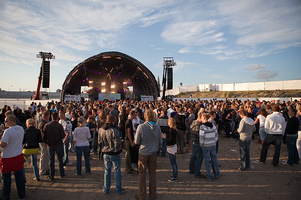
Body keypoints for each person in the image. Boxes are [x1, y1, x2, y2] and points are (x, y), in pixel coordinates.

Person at [134, 109, 162, 200]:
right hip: (153, 152)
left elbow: (137, 141)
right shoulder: (157, 127)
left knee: (142, 175)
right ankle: (152, 195)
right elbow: (160, 141)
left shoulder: (141, 127)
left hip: (143, 152)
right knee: (152, 174)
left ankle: (142, 195)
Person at [0, 115, 26, 200]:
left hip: (8, 157)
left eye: (6, 121)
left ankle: (5, 197)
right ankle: (21, 194)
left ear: (11, 121)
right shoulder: (21, 128)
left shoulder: (8, 131)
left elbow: (3, 145)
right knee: (19, 178)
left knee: (6, 180)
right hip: (18, 155)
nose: (5, 123)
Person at [99, 114, 125, 195]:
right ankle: (118, 189)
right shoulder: (114, 130)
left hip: (105, 152)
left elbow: (99, 142)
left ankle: (106, 188)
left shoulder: (101, 129)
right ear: (113, 121)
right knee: (117, 171)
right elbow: (117, 143)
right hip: (114, 152)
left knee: (107, 171)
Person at [43, 112, 66, 180]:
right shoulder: (59, 126)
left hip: (51, 144)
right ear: (57, 118)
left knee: (51, 160)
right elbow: (63, 136)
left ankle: (52, 175)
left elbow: (44, 137)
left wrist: (47, 142)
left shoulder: (47, 125)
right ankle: (61, 173)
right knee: (60, 159)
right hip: (58, 144)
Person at [199, 113, 220, 181]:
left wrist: (201, 144)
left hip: (206, 146)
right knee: (214, 159)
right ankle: (217, 174)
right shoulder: (213, 126)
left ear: (204, 118)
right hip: (213, 144)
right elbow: (216, 136)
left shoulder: (202, 127)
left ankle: (209, 176)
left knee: (207, 161)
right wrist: (214, 142)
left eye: (201, 118)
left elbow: (201, 138)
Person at [189, 111, 203, 178]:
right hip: (197, 142)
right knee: (199, 158)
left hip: (193, 141)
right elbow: (198, 134)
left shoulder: (193, 122)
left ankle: (191, 169)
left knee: (193, 156)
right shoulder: (198, 125)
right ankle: (197, 172)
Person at [164, 117, 178, 182]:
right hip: (172, 147)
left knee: (173, 163)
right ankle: (174, 175)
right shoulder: (173, 130)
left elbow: (170, 141)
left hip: (171, 148)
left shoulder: (172, 131)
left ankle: (175, 176)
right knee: (173, 163)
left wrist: (165, 137)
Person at [38, 111, 50, 176]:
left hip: (42, 141)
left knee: (45, 155)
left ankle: (45, 168)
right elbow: (44, 134)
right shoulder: (44, 124)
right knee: (44, 155)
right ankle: (43, 170)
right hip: (43, 141)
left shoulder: (41, 123)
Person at [124, 110, 136, 174]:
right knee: (128, 155)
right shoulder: (129, 122)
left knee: (129, 154)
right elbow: (128, 133)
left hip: (128, 139)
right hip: (128, 140)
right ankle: (128, 168)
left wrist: (134, 131)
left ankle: (129, 167)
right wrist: (131, 141)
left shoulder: (129, 121)